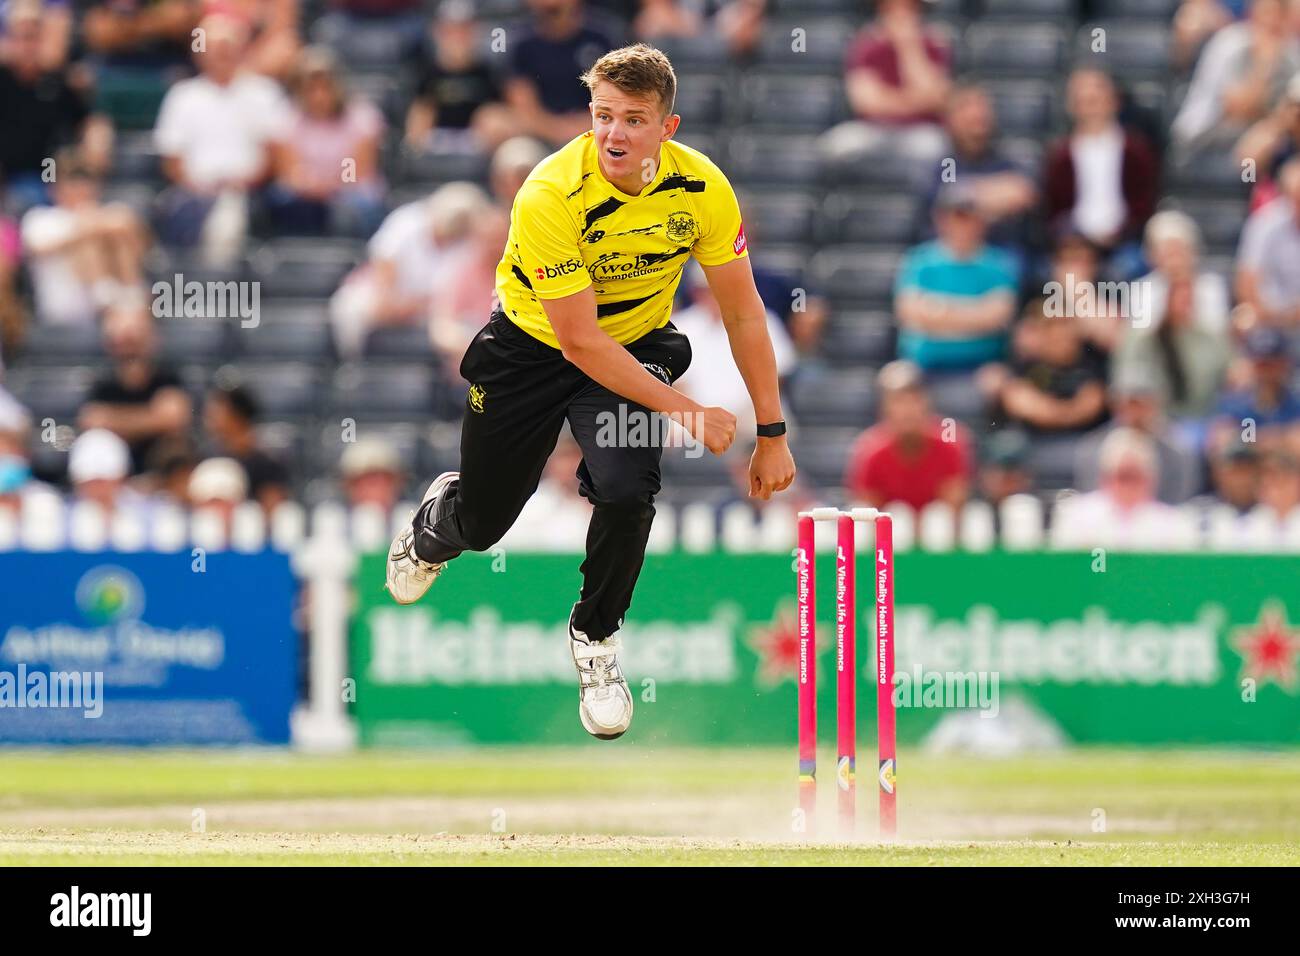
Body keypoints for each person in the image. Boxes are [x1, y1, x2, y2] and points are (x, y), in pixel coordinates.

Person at [384, 44, 796, 741]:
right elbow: (577, 343)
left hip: (634, 347)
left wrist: (772, 431)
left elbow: (743, 313)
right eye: (602, 115)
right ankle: (435, 526)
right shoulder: (549, 192)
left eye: (633, 119)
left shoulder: (703, 190)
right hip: (532, 350)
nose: (612, 134)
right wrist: (689, 411)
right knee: (484, 525)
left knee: (629, 487)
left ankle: (597, 640)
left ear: (668, 128)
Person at [152, 11, 292, 259]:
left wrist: (244, 182)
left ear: (241, 49)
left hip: (250, 191)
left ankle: (222, 279)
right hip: (194, 192)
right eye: (213, 48)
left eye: (227, 47)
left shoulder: (264, 93)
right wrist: (200, 186)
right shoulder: (182, 96)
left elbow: (276, 156)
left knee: (234, 211)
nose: (221, 54)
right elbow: (172, 161)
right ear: (199, 53)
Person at [1044, 69, 1159, 280]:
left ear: (1113, 102)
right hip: (1073, 244)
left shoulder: (1135, 151)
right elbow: (1053, 209)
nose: (1091, 109)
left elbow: (1144, 203)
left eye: (1096, 100)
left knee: (1125, 270)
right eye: (1084, 102)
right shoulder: (1060, 156)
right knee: (1054, 273)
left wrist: (1118, 234)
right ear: (1072, 107)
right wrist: (1073, 239)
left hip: (1123, 242)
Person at [893, 183, 1018, 374]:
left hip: (982, 368)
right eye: (956, 217)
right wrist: (975, 313)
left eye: (968, 217)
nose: (962, 225)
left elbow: (997, 316)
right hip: (923, 366)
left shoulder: (999, 264)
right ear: (941, 220)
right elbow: (908, 312)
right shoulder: (919, 261)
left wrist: (936, 310)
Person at [0, 2, 113, 210]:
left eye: (33, 37)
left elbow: (89, 120)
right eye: (20, 37)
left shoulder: (58, 82)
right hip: (10, 179)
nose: (26, 46)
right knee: (26, 199)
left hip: (54, 175)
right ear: (8, 40)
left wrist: (96, 138)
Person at [265, 47, 387, 238]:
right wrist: (310, 185)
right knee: (283, 201)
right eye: (311, 88)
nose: (319, 95)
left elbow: (355, 173)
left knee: (353, 208)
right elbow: (289, 172)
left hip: (350, 191)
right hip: (304, 193)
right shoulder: (286, 119)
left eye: (325, 87)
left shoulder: (362, 118)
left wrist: (328, 187)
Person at [20, 149, 149, 325]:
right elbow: (37, 248)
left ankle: (125, 297)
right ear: (55, 186)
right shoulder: (41, 218)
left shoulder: (111, 211)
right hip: (65, 315)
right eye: (71, 181)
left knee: (115, 227)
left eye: (84, 180)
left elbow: (138, 242)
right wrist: (85, 227)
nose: (79, 188)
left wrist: (95, 222)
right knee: (88, 238)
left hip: (122, 315)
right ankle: (103, 296)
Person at [822, 0, 951, 169]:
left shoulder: (933, 44)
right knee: (835, 146)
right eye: (891, 7)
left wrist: (909, 47)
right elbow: (864, 103)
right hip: (874, 129)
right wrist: (915, 100)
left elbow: (937, 99)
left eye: (908, 7)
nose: (900, 13)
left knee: (937, 148)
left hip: (920, 130)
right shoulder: (865, 45)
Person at [1171, 0, 1300, 157]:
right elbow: (1239, 109)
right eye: (1267, 12)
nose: (1272, 20)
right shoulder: (1231, 43)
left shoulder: (1290, 51)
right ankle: (1249, 178)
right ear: (1253, 13)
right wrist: (1265, 65)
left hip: (1243, 137)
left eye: (1280, 14)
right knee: (1254, 150)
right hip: (1202, 141)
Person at [843, 359, 971, 512]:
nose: (907, 410)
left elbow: (954, 505)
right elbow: (866, 511)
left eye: (914, 399)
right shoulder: (868, 448)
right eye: (898, 401)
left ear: (927, 402)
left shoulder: (950, 438)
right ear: (884, 407)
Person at [921, 84, 1038, 252]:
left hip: (999, 250)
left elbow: (1022, 194)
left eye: (981, 110)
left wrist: (968, 196)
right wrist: (992, 197)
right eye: (966, 108)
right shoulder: (949, 163)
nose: (976, 115)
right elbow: (947, 200)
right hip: (952, 254)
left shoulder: (1005, 161)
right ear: (951, 119)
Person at [78, 304, 192, 475]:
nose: (129, 348)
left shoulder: (168, 377)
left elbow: (173, 419)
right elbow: (93, 422)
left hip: (161, 474)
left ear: (151, 339)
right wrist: (153, 418)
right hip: (115, 475)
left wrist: (114, 421)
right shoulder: (103, 383)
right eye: (123, 341)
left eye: (135, 340)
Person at [1051, 427, 1197, 550]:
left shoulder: (1173, 523)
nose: (1128, 486)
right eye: (1122, 477)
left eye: (1135, 477)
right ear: (1104, 478)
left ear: (1151, 480)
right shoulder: (1077, 516)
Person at [504, 0, 618, 148]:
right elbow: (522, 105)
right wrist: (558, 131)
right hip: (538, 136)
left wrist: (582, 128)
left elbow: (616, 98)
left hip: (597, 131)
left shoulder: (602, 37)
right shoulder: (521, 43)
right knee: (517, 156)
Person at [404, 0, 513, 154]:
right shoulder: (427, 72)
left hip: (480, 144)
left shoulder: (488, 72)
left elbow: (504, 115)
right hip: (438, 142)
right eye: (451, 30)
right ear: (439, 32)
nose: (458, 37)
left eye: (464, 30)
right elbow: (417, 120)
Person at [997, 301, 1108, 437]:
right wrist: (1064, 412)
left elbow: (1091, 405)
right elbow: (1018, 400)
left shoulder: (1092, 364)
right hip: (1035, 442)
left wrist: (1052, 411)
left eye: (1065, 323)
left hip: (1086, 440)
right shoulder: (1028, 366)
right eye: (1051, 325)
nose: (1060, 332)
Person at [202, 381, 291, 514]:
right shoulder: (209, 456)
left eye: (217, 410)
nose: (209, 416)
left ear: (237, 415)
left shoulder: (267, 461)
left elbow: (274, 507)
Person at [1236, 156, 1300, 326]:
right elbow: (1247, 281)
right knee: (1245, 319)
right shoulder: (1265, 223)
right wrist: (1274, 316)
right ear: (1286, 195)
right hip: (1269, 316)